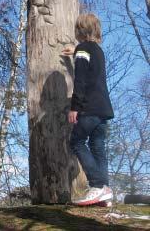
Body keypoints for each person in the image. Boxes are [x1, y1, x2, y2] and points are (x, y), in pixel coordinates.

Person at [63, 13, 114, 206]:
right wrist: (75, 51)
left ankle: (97, 185)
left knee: (76, 142)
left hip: (89, 108)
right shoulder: (97, 51)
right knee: (97, 147)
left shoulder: (83, 49)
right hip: (103, 108)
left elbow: (81, 80)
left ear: (79, 30)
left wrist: (74, 107)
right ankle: (105, 192)